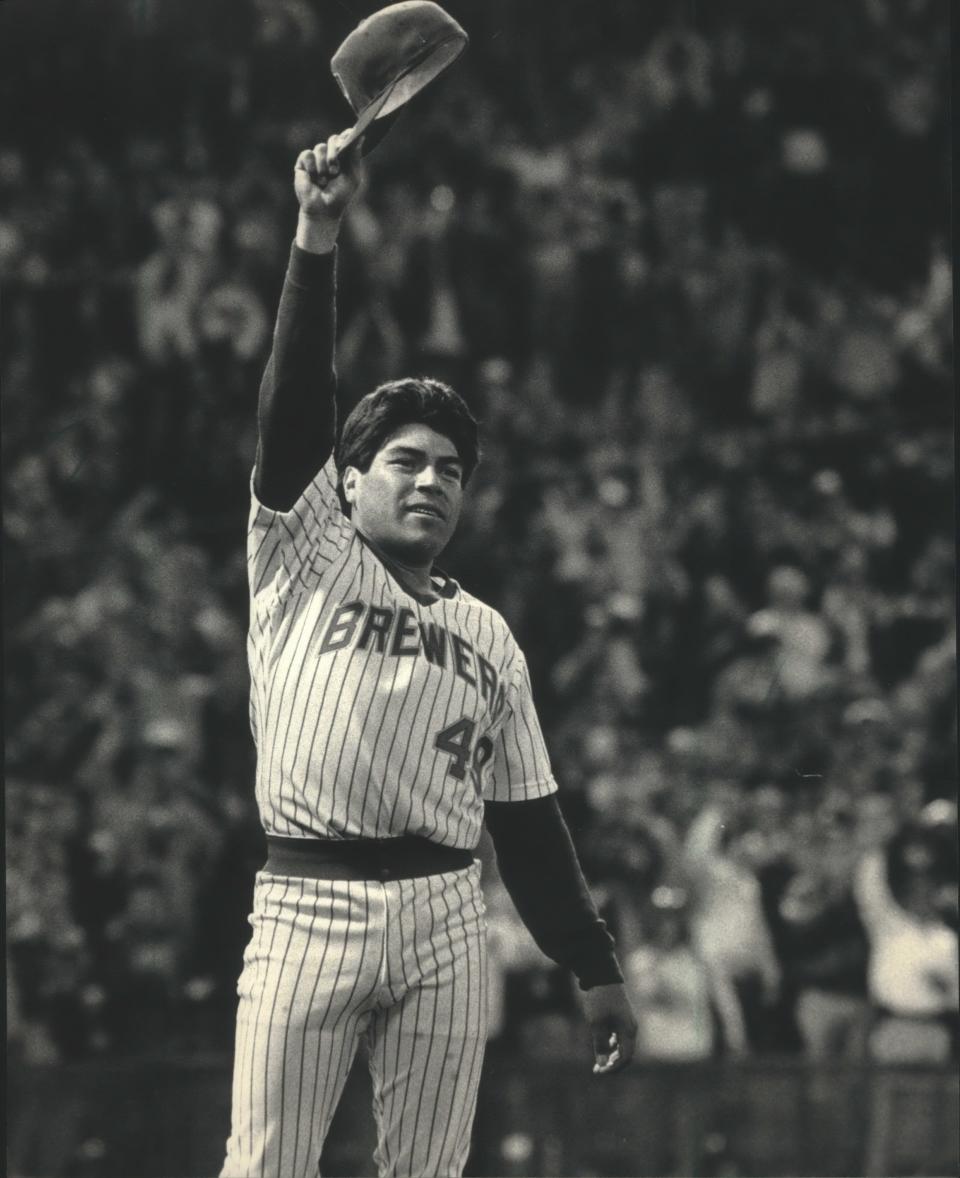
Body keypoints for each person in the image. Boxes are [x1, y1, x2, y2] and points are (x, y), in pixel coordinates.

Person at [219, 131, 637, 1178]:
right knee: (265, 1166)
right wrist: (318, 233)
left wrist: (592, 963)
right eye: (403, 461)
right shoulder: (304, 553)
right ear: (347, 480)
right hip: (308, 898)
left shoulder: (489, 632)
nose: (430, 481)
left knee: (429, 1172)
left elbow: (530, 818)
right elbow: (291, 415)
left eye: (451, 469)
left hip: (450, 911)